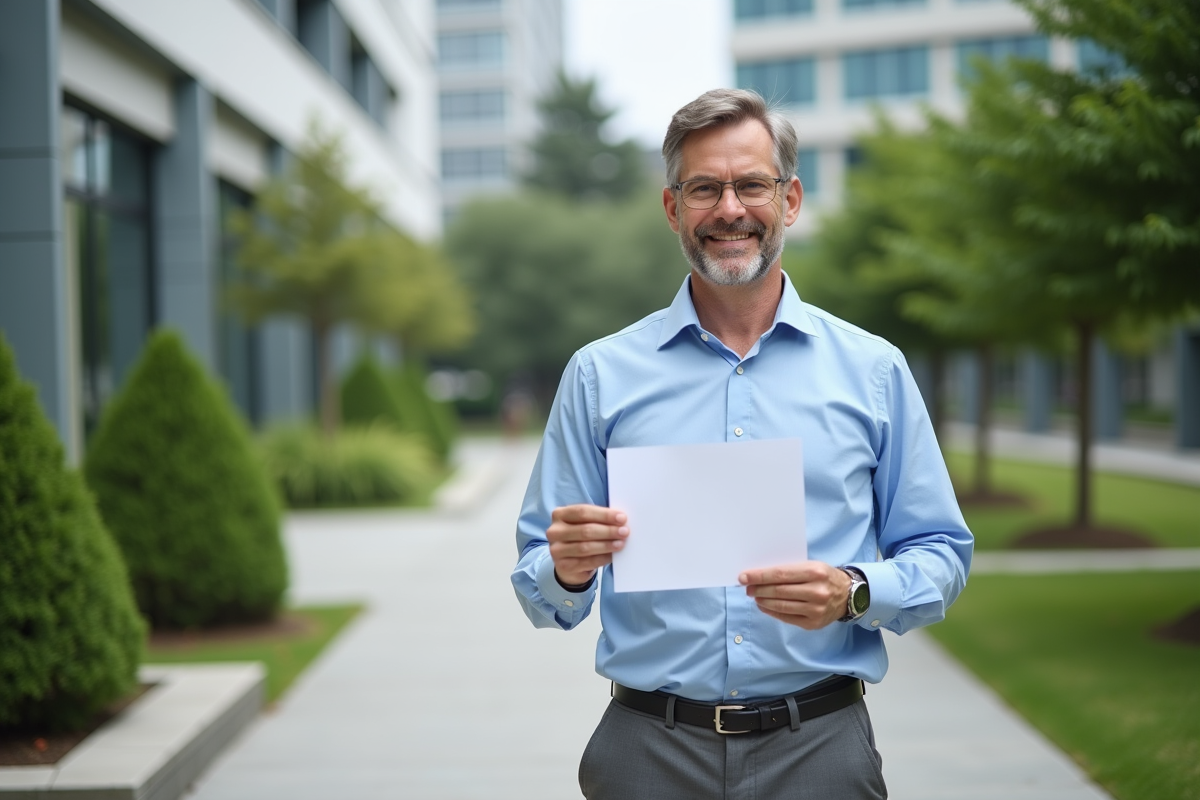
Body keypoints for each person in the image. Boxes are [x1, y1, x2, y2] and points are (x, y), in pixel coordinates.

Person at [511, 88, 973, 800]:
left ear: (789, 200)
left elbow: (942, 552)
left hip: (820, 750)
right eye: (704, 188)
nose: (729, 210)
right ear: (673, 209)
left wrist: (853, 592)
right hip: (646, 755)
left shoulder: (873, 370)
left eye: (751, 184)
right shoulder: (599, 375)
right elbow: (541, 585)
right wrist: (568, 570)